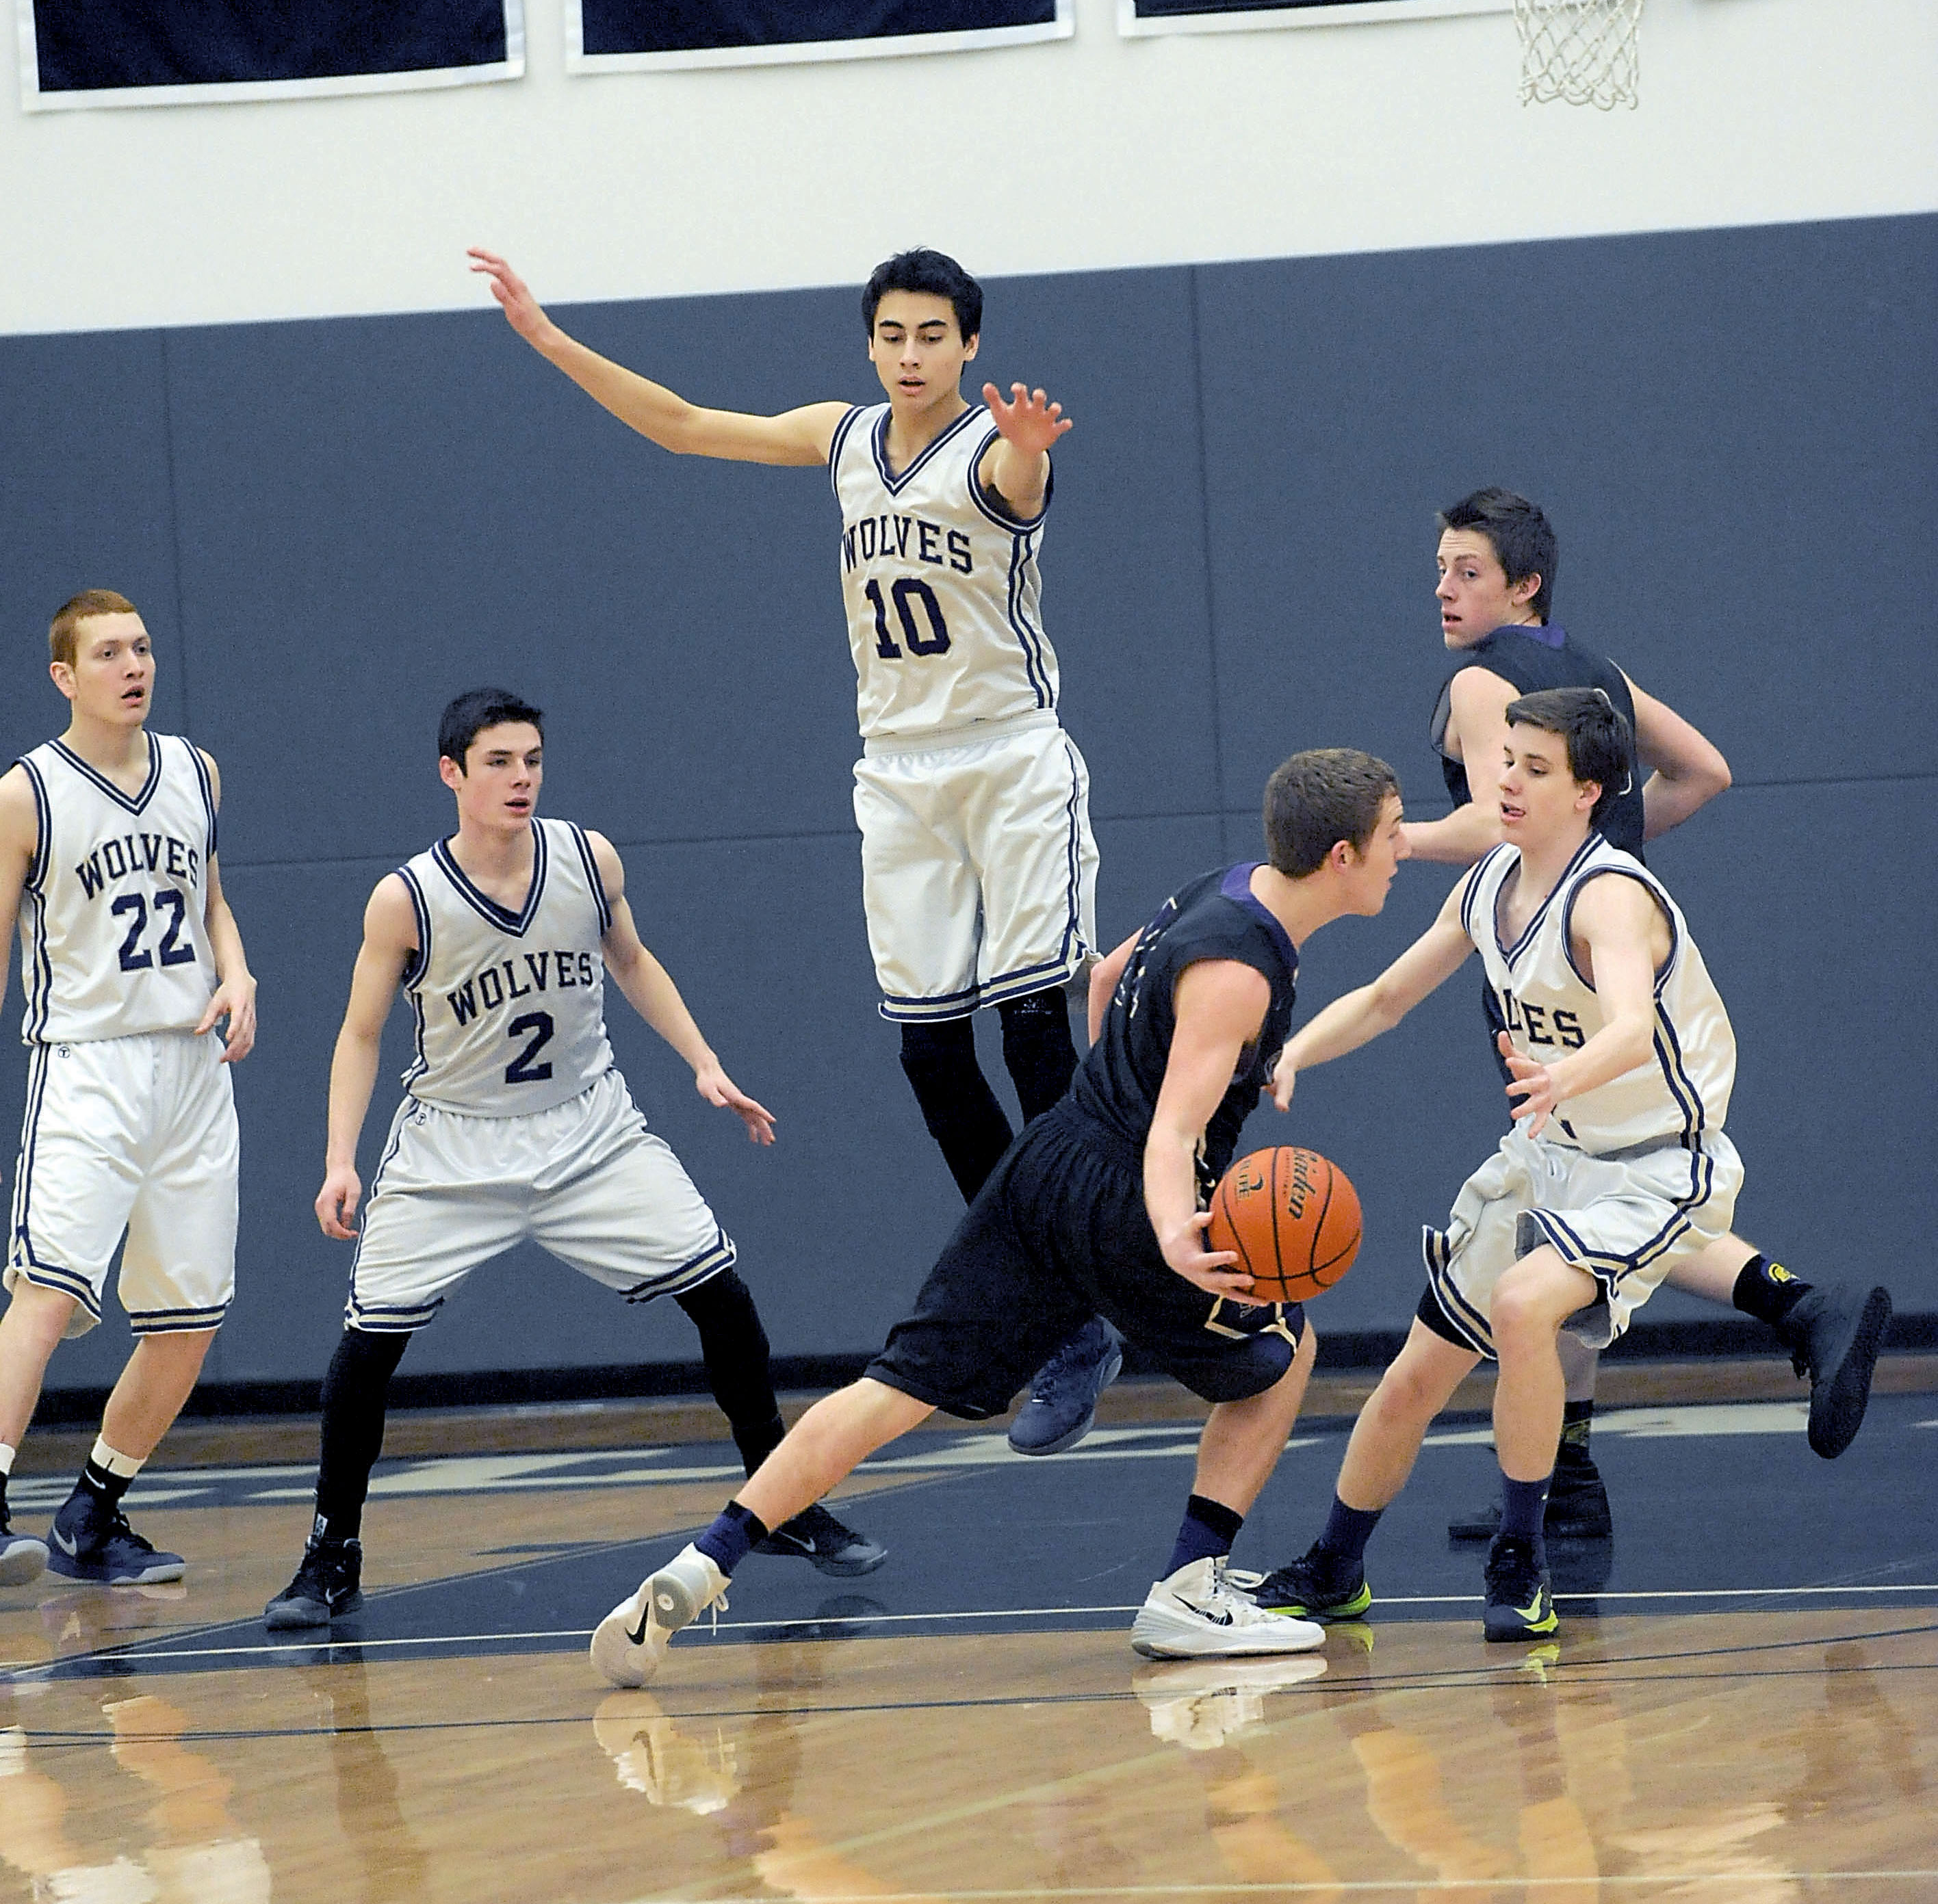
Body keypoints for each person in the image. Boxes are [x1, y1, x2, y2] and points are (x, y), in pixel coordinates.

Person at [470, 244, 1115, 1457]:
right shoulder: (841, 436)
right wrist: (551, 340)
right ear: (870, 343)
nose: (912, 352)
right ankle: (1054, 1310)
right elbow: (681, 424)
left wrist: (1028, 440)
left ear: (969, 344)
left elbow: (1026, 478)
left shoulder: (995, 449)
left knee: (1035, 1030)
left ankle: (1085, 1291)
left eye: (934, 334)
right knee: (932, 1056)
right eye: (893, 333)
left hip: (1011, 758)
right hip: (900, 775)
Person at [589, 748, 1410, 1688]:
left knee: (893, 1389)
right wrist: (1175, 1230)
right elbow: (1174, 1129)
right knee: (1283, 1356)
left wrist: (1116, 1085)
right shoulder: (1244, 975)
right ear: (1341, 857)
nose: (1404, 850)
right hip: (1129, 1198)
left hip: (1049, 1160)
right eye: (1392, 836)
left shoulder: (1221, 889)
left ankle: (702, 1563)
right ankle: (1190, 1586)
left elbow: (1107, 978)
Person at [261, 689, 881, 1628]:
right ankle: (330, 1553)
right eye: (500, 761)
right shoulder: (407, 898)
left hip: (587, 1125)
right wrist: (339, 1157)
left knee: (721, 1291)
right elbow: (359, 1033)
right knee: (369, 1345)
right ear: (452, 774)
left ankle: (781, 1498)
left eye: (533, 760)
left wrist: (705, 1064)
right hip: (455, 1144)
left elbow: (631, 961)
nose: (521, 778)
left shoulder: (587, 859)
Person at [1408, 490, 1888, 1539]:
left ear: (1523, 583)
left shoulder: (1484, 681)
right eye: (1439, 567)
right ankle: (1574, 1473)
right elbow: (1706, 771)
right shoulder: (1601, 675)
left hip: (1564, 967)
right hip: (1624, 948)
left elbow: (1487, 824)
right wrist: (1610, 851)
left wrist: (1387, 838)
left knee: (1582, 1199)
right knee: (1582, 1203)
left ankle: (1797, 1307)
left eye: (1468, 570)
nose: (1445, 588)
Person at [1252, 689, 1750, 1642]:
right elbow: (1390, 995)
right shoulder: (1489, 884)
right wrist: (1294, 1050)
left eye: (1532, 768)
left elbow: (1633, 1028)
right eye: (1506, 760)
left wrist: (1563, 1075)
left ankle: (1521, 1557)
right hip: (1551, 1156)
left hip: (1650, 1164)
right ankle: (1335, 1565)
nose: (1507, 781)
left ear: (1588, 791)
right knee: (1412, 1375)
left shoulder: (1609, 895)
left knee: (1525, 1308)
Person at [0, 590, 257, 1589]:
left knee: (190, 1318)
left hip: (192, 1066)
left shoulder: (196, 769)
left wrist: (237, 972)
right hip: (89, 1063)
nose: (135, 665)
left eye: (143, 648)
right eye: (110, 652)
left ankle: (93, 1515)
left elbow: (213, 901)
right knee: (50, 1291)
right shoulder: (27, 793)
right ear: (65, 676)